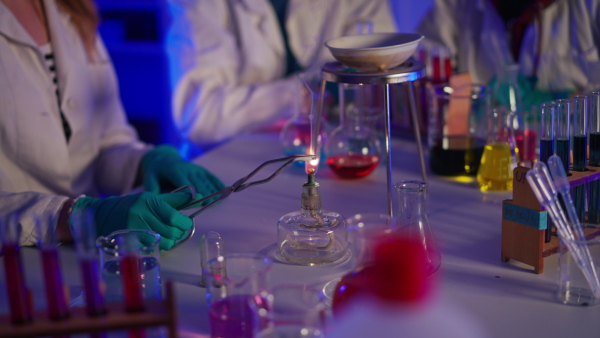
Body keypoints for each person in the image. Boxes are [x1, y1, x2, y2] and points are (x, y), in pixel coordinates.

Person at [0, 0, 224, 250]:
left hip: (85, 254)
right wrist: (71, 216)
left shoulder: (70, 8)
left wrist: (147, 162)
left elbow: (104, 141)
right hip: (16, 262)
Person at [166, 0, 397, 152]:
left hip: (333, 150)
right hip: (225, 162)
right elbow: (200, 115)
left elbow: (381, 62)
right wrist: (308, 91)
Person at [416, 0, 600, 105]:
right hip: (484, 154)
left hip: (575, 161)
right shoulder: (456, 6)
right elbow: (422, 74)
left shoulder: (590, 6)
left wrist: (557, 104)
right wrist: (465, 105)